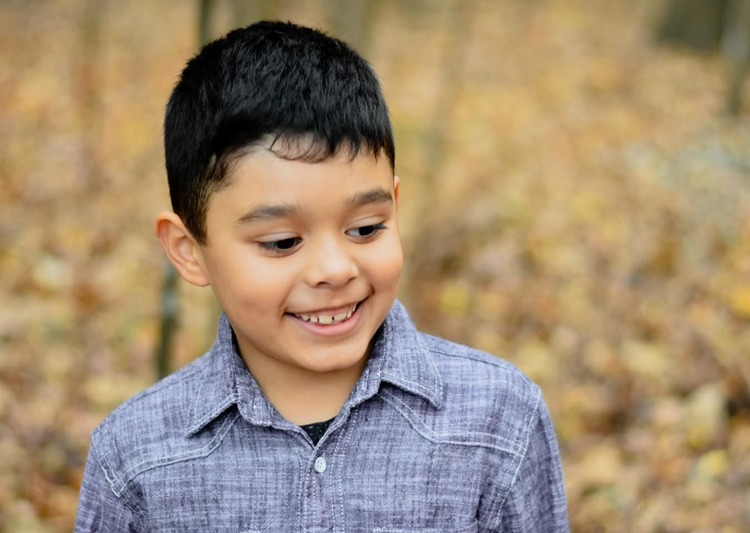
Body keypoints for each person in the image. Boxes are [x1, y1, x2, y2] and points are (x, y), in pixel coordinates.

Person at [75, 20, 569, 532]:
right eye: (283, 242)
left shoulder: (500, 421)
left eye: (365, 228)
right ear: (189, 250)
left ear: (395, 209)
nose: (335, 270)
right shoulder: (135, 459)